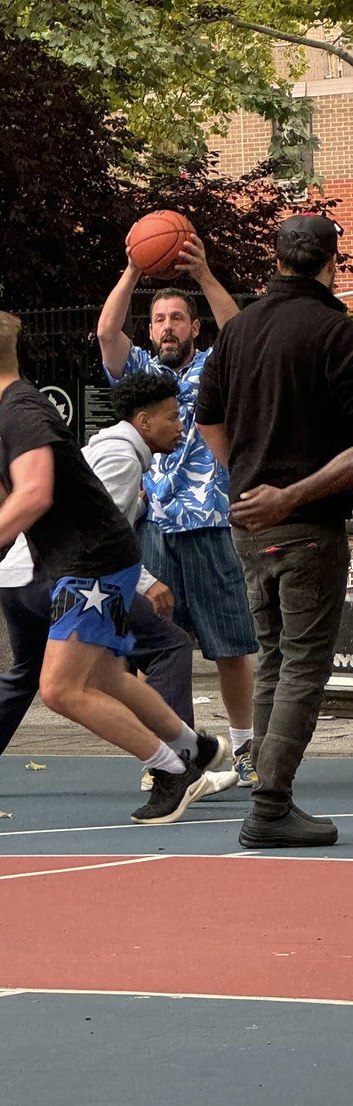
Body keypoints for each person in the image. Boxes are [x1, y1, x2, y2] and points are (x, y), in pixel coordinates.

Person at [0, 309, 227, 826]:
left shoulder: (23, 412)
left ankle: (172, 771)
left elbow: (34, 492)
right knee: (103, 675)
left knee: (59, 689)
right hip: (85, 561)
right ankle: (196, 747)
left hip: (92, 562)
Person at [196, 212, 353, 849]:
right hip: (304, 524)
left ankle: (267, 793)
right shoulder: (335, 332)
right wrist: (288, 491)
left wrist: (247, 475)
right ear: (332, 265)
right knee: (302, 669)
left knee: (274, 663)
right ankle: (269, 804)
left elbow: (206, 420)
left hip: (249, 525)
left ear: (277, 258)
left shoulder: (239, 332)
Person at [97, 233, 259, 786]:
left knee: (231, 646)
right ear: (151, 330)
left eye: (177, 318)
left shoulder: (216, 365)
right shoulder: (141, 372)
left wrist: (206, 275)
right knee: (159, 650)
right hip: (155, 529)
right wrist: (134, 270)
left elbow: (241, 331)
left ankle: (243, 751)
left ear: (194, 328)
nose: (167, 325)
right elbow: (105, 332)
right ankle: (175, 755)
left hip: (210, 522)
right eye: (159, 319)